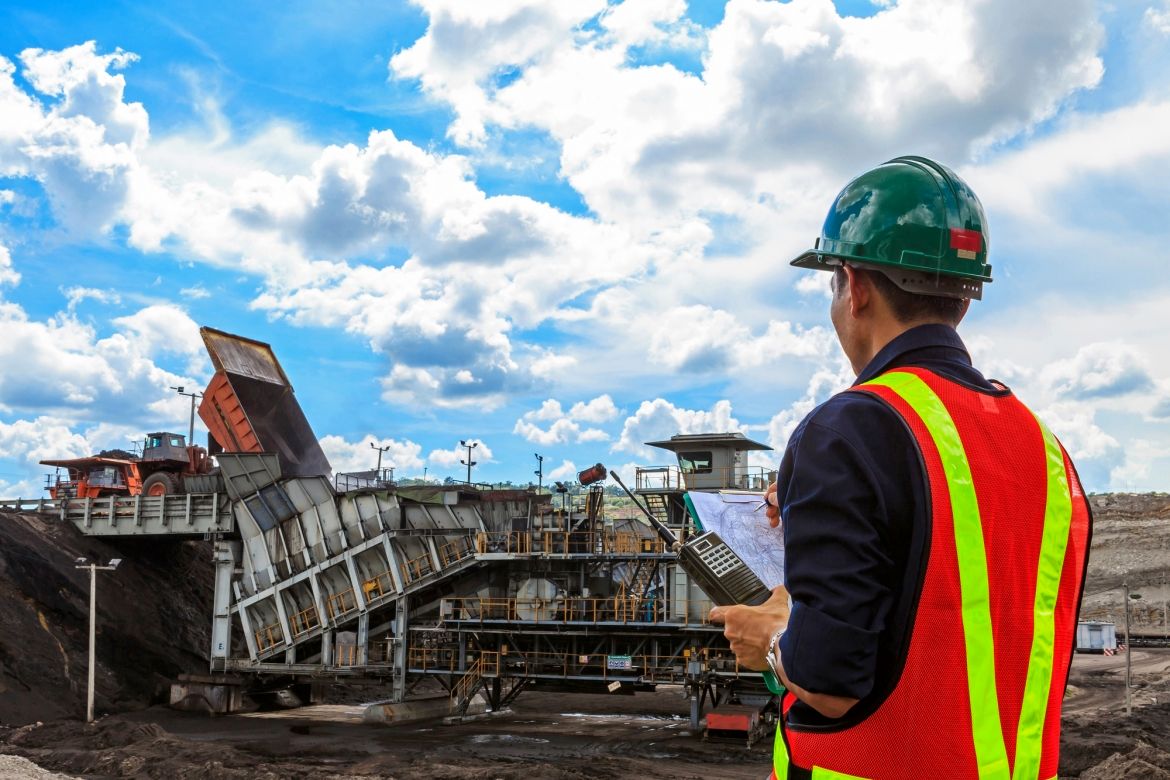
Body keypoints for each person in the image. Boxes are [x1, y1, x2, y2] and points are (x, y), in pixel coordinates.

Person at [709, 156, 1092, 779]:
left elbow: (831, 681)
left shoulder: (847, 430)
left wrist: (772, 638)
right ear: (962, 300)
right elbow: (951, 590)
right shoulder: (1044, 449)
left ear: (854, 286)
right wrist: (820, 506)